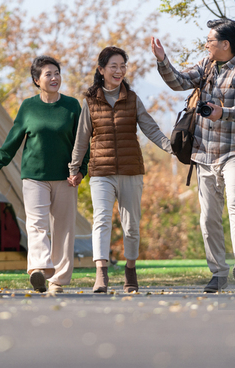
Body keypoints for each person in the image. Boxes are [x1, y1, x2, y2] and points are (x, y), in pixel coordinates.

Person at [151, 18, 235, 293]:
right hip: (204, 154)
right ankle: (218, 272)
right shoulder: (206, 66)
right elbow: (178, 82)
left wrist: (224, 112)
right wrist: (163, 60)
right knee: (208, 217)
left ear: (225, 44)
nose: (206, 44)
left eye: (210, 41)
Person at [68, 46, 172, 293]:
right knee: (101, 220)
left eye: (122, 66)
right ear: (101, 70)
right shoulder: (91, 102)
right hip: (101, 172)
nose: (119, 71)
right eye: (113, 66)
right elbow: (82, 139)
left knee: (131, 225)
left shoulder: (133, 99)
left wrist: (172, 148)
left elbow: (151, 128)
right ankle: (101, 274)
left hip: (131, 171)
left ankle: (130, 269)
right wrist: (74, 168)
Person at [0, 56, 88, 294]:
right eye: (48, 74)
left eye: (57, 73)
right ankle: (40, 270)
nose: (54, 78)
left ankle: (58, 281)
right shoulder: (29, 107)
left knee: (64, 229)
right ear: (36, 80)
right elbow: (14, 138)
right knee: (36, 224)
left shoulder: (72, 106)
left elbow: (83, 142)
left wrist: (81, 171)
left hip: (65, 177)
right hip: (34, 176)